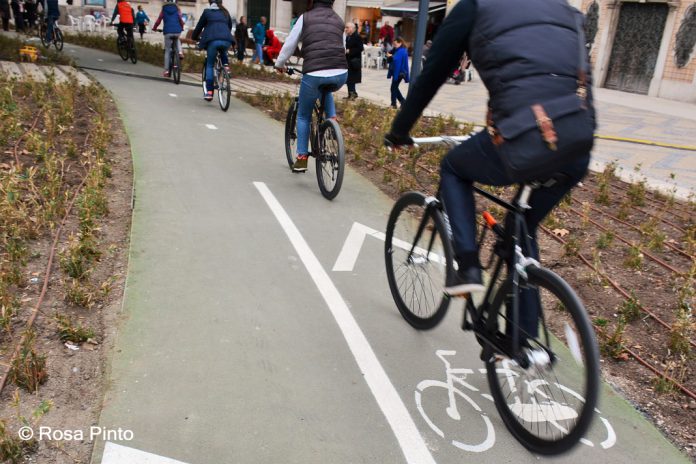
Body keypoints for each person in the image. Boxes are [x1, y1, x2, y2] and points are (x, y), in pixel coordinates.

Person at [384, 0, 595, 337]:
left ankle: (467, 268)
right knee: (520, 229)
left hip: (521, 138)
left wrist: (399, 131)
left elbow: (432, 75)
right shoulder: (565, 9)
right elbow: (583, 80)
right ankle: (522, 340)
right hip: (577, 145)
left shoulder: (475, 7)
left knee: (453, 167)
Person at [274, 0, 347, 173]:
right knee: (326, 87)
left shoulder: (305, 18)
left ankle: (301, 157)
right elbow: (341, 47)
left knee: (304, 116)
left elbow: (290, 44)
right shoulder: (339, 20)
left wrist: (279, 63)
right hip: (341, 73)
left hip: (314, 73)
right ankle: (332, 121)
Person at [191, 0, 233, 101]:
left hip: (213, 41)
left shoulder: (207, 12)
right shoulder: (225, 12)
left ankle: (209, 92)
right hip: (227, 40)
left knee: (209, 65)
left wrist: (194, 37)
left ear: (210, 2)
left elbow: (199, 27)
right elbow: (229, 26)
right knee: (222, 49)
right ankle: (226, 66)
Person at [152, 0, 184, 77]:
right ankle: (180, 52)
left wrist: (154, 27)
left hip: (168, 32)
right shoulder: (177, 9)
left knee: (167, 51)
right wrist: (182, 27)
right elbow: (180, 20)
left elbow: (158, 20)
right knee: (177, 39)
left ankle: (166, 71)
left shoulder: (164, 9)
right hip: (177, 30)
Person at [386, 37, 408, 108]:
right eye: (394, 44)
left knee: (393, 88)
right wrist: (389, 54)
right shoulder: (396, 50)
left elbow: (396, 59)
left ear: (400, 43)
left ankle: (394, 104)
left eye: (396, 44)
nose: (395, 45)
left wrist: (391, 56)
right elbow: (390, 55)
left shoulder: (402, 51)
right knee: (394, 88)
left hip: (400, 72)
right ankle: (403, 102)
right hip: (396, 72)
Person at [344, 22, 363, 100]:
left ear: (352, 28)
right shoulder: (348, 36)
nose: (346, 29)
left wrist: (350, 51)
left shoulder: (357, 37)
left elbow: (360, 48)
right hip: (348, 61)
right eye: (346, 27)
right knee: (349, 78)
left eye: (347, 27)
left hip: (354, 61)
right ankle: (351, 94)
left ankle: (352, 94)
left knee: (351, 79)